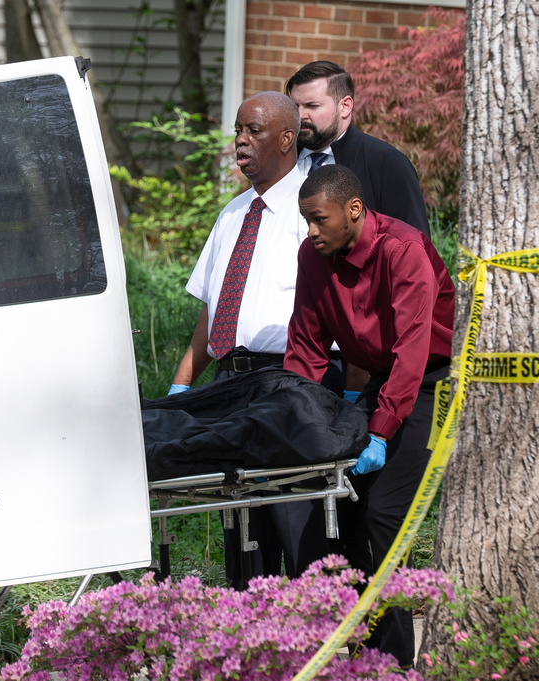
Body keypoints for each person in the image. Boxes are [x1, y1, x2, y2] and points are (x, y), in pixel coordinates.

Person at [283, 164, 455, 669]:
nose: (310, 232)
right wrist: (296, 418)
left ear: (353, 211)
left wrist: (379, 431)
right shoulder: (313, 257)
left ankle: (395, 662)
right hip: (384, 380)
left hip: (433, 378)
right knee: (344, 511)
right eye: (306, 220)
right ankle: (356, 655)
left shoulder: (404, 249)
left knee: (383, 514)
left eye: (318, 220)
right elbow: (307, 347)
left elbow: (413, 351)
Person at [168, 91, 333, 587]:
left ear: (287, 138)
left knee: (293, 517)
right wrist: (182, 386)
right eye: (238, 130)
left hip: (289, 380)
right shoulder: (232, 215)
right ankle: (249, 641)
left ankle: (315, 640)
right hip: (229, 385)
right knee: (240, 523)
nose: (240, 141)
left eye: (253, 131)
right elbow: (212, 312)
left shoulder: (314, 211)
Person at [285, 60, 430, 237]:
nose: (300, 115)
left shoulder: (386, 165)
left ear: (345, 106)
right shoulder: (279, 159)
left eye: (312, 106)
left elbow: (413, 248)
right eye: (295, 106)